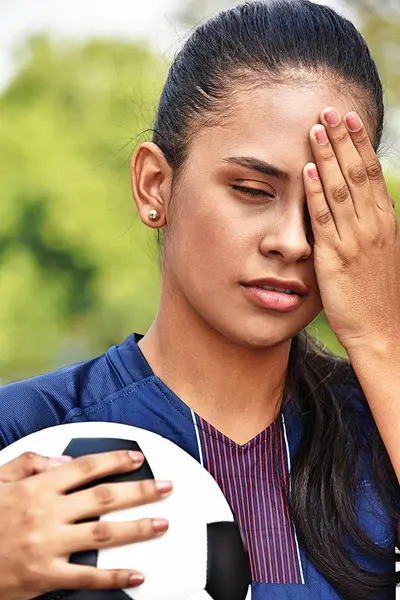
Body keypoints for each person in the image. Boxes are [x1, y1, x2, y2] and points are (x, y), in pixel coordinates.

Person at [0, 0, 399, 599]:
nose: (292, 241)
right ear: (154, 185)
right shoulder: (26, 434)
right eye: (251, 189)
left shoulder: (382, 425)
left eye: (327, 204)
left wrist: (381, 337)